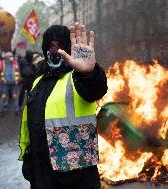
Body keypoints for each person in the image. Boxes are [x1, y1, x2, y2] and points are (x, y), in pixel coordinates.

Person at [18, 23, 107, 189]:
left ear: (69, 49)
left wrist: (89, 72)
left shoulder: (77, 78)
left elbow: (96, 88)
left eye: (60, 45)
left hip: (75, 180)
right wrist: (29, 160)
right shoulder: (38, 81)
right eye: (51, 46)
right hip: (41, 175)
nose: (55, 50)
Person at [0, 51, 21, 117]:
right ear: (6, 57)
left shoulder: (15, 63)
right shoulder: (1, 64)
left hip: (14, 83)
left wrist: (18, 80)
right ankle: (0, 111)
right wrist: (1, 80)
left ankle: (16, 110)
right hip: (5, 83)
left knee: (15, 97)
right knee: (3, 97)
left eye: (11, 56)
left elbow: (19, 72)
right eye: (10, 56)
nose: (11, 57)